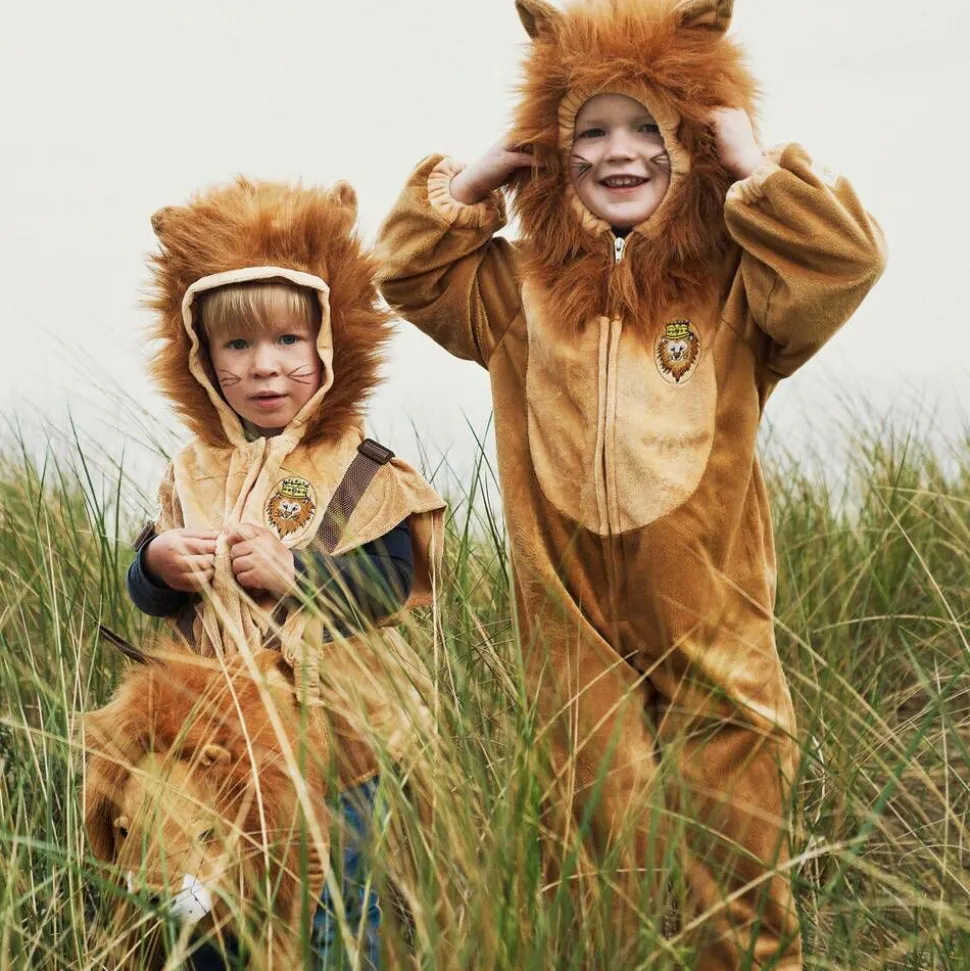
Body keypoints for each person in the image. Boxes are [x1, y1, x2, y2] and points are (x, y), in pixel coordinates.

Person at [376, 0, 886, 966]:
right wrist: (474, 180)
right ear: (552, 148)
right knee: (596, 842)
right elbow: (406, 273)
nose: (620, 152)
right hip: (570, 624)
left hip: (713, 621)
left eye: (649, 126)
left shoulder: (738, 284)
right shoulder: (517, 292)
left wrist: (755, 165)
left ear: (691, 141)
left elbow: (846, 262)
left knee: (735, 834)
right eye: (590, 130)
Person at [128, 176, 446, 969]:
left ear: (329, 342)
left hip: (337, 741)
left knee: (338, 905)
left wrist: (297, 571)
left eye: (288, 341)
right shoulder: (192, 471)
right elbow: (146, 590)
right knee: (208, 907)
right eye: (237, 346)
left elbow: (390, 583)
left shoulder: (363, 467)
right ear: (202, 355)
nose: (264, 368)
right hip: (213, 742)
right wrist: (158, 564)